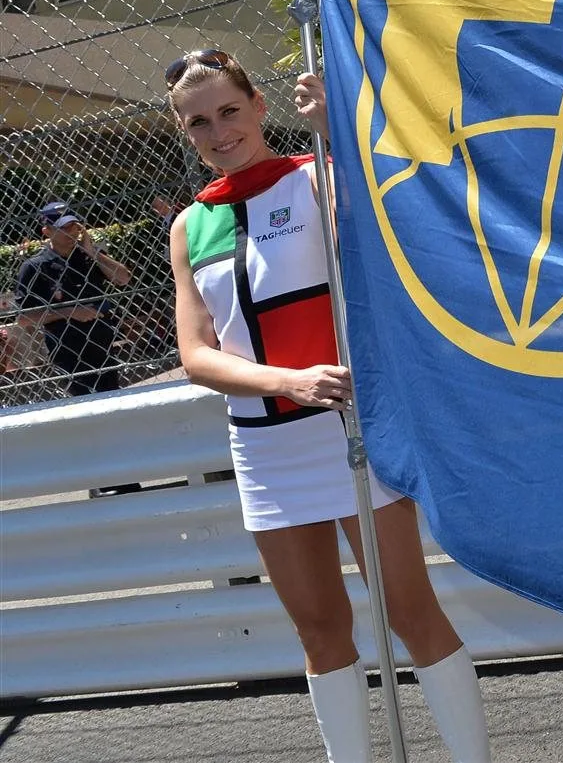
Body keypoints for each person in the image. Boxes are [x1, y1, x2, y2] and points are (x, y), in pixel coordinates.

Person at [166, 50, 492, 763]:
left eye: (229, 110)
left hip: (349, 426)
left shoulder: (317, 175)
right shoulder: (190, 227)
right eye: (199, 121)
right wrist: (284, 380)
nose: (219, 131)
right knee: (318, 628)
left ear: (258, 105)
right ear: (184, 132)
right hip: (264, 443)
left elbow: (393, 229)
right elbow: (196, 353)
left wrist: (338, 135)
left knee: (410, 610)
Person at [14, 200, 132, 397]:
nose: (72, 233)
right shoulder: (35, 267)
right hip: (67, 351)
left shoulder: (87, 255)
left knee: (112, 397)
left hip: (102, 344)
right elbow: (25, 318)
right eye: (64, 228)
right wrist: (70, 312)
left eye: (74, 227)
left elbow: (123, 278)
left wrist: (92, 251)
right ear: (47, 232)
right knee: (82, 401)